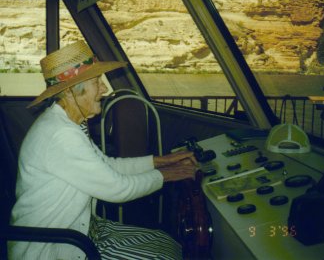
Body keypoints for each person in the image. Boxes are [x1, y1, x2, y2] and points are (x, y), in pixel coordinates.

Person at [9, 41, 197, 260]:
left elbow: (107, 166)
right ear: (71, 91)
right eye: (97, 81)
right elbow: (117, 189)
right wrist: (168, 175)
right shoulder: (60, 135)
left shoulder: (68, 124)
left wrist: (160, 161)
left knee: (165, 242)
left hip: (81, 231)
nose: (105, 88)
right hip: (53, 247)